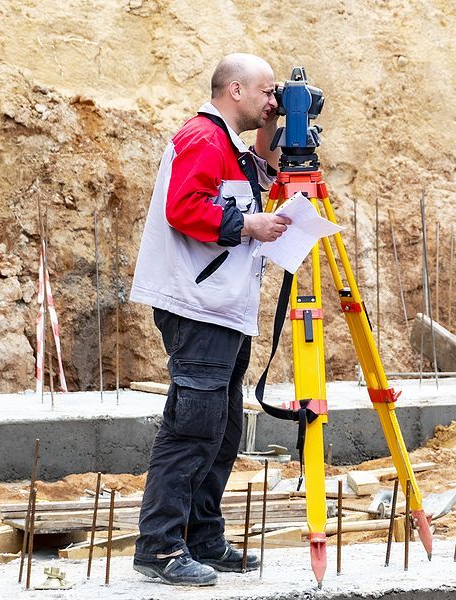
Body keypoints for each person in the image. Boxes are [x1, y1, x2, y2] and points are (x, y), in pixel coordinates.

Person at [128, 53, 290, 586]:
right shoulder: (202, 138)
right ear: (235, 90)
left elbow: (267, 170)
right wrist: (251, 225)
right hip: (197, 307)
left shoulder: (232, 146)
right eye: (268, 92)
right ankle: (159, 548)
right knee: (192, 427)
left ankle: (202, 537)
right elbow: (184, 208)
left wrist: (279, 122)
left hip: (224, 307)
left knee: (221, 430)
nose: (273, 100)